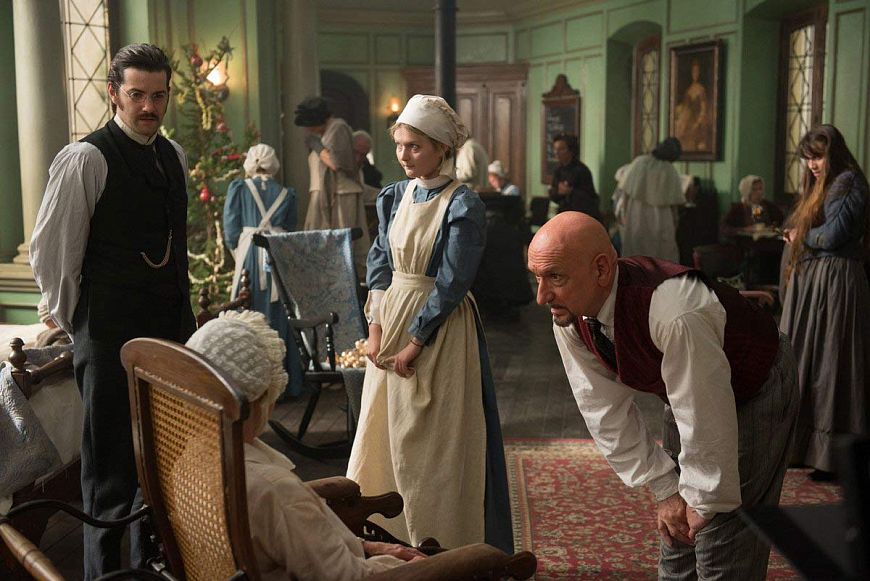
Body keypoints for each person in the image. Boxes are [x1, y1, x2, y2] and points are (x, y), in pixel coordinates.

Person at [528, 211, 799, 579]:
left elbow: (704, 411)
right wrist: (666, 488)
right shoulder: (568, 311)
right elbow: (601, 408)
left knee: (722, 542)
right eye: (537, 277)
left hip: (754, 381)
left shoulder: (672, 310)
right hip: (687, 390)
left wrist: (704, 499)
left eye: (555, 277)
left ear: (602, 269)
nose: (542, 296)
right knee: (677, 537)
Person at [30, 44, 196, 578]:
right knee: (110, 474)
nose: (149, 107)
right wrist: (82, 326)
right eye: (137, 95)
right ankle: (102, 574)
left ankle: (151, 567)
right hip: (107, 335)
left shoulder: (173, 155)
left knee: (166, 463)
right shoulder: (87, 159)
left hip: (170, 332)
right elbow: (52, 255)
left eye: (158, 96)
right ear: (114, 94)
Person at [348, 94, 513, 554]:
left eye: (415, 146)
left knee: (431, 442)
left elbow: (453, 280)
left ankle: (440, 539)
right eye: (400, 145)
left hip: (438, 328)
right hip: (391, 320)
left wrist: (416, 341)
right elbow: (379, 262)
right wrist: (376, 330)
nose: (404, 155)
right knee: (384, 432)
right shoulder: (394, 196)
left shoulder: (462, 203)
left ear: (441, 149)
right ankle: (388, 536)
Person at [184, 311, 424, 580]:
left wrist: (365, 546)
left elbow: (293, 541)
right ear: (260, 398)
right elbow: (349, 577)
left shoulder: (188, 460)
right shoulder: (275, 491)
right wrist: (422, 568)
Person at [780, 124, 870, 481]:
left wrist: (801, 236)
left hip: (837, 285)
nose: (812, 165)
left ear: (834, 154)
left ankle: (833, 457)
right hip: (818, 285)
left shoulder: (848, 182)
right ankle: (805, 449)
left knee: (833, 364)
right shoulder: (827, 183)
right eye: (808, 158)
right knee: (811, 362)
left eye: (818, 157)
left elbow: (833, 236)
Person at [223, 143, 303, 398]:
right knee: (280, 313)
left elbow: (231, 231)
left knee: (248, 310)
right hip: (276, 256)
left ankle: (249, 383)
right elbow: (290, 230)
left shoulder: (239, 188)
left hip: (249, 257)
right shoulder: (286, 194)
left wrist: (240, 252)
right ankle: (285, 384)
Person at [294, 96, 371, 274]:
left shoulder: (338, 127)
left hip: (340, 196)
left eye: (309, 125)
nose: (307, 130)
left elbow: (337, 162)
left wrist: (317, 146)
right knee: (318, 243)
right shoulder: (323, 133)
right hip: (323, 194)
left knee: (340, 242)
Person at [612, 137, 686, 261]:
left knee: (637, 250)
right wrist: (675, 221)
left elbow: (626, 193)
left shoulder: (640, 162)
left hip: (636, 214)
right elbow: (674, 204)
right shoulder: (669, 169)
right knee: (661, 252)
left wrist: (623, 214)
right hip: (662, 217)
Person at [548, 133, 601, 221]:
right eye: (555, 149)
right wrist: (557, 192)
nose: (556, 152)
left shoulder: (581, 170)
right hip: (564, 214)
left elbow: (589, 198)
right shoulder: (558, 171)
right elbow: (553, 195)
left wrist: (570, 191)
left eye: (561, 149)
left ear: (571, 151)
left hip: (582, 216)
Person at [674, 59, 711, 152]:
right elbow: (684, 107)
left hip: (696, 121)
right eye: (694, 71)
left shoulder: (701, 89)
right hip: (687, 120)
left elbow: (704, 109)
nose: (695, 74)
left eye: (697, 71)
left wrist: (698, 123)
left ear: (699, 73)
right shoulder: (688, 90)